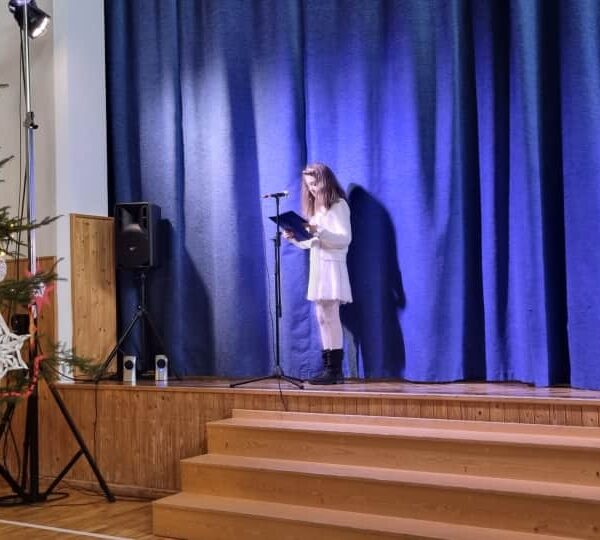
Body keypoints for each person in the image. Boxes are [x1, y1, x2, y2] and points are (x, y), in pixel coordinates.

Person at [283, 163, 352, 384]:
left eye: (315, 184)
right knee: (322, 318)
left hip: (332, 266)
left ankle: (335, 370)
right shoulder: (316, 209)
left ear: (325, 181)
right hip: (319, 268)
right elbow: (313, 243)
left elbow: (344, 239)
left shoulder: (338, 205)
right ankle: (328, 368)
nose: (312, 189)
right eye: (308, 185)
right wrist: (295, 238)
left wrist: (318, 231)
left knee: (331, 316)